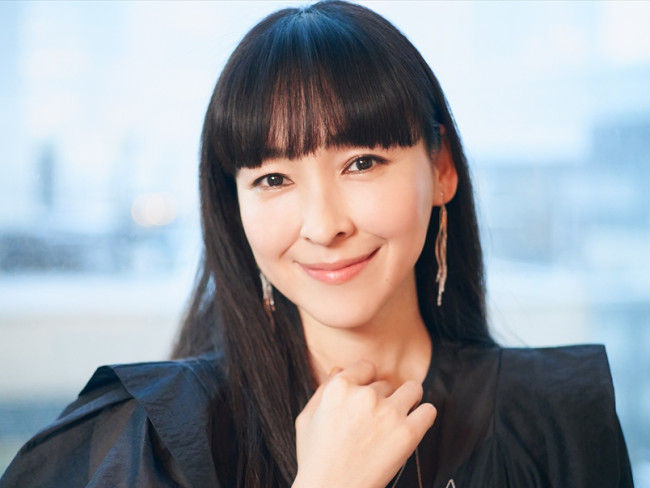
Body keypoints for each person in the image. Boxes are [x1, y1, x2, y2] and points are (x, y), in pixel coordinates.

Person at [0, 1, 633, 487]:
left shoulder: (557, 416)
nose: (324, 226)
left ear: (441, 168)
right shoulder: (154, 435)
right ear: (234, 207)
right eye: (274, 179)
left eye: (362, 163)